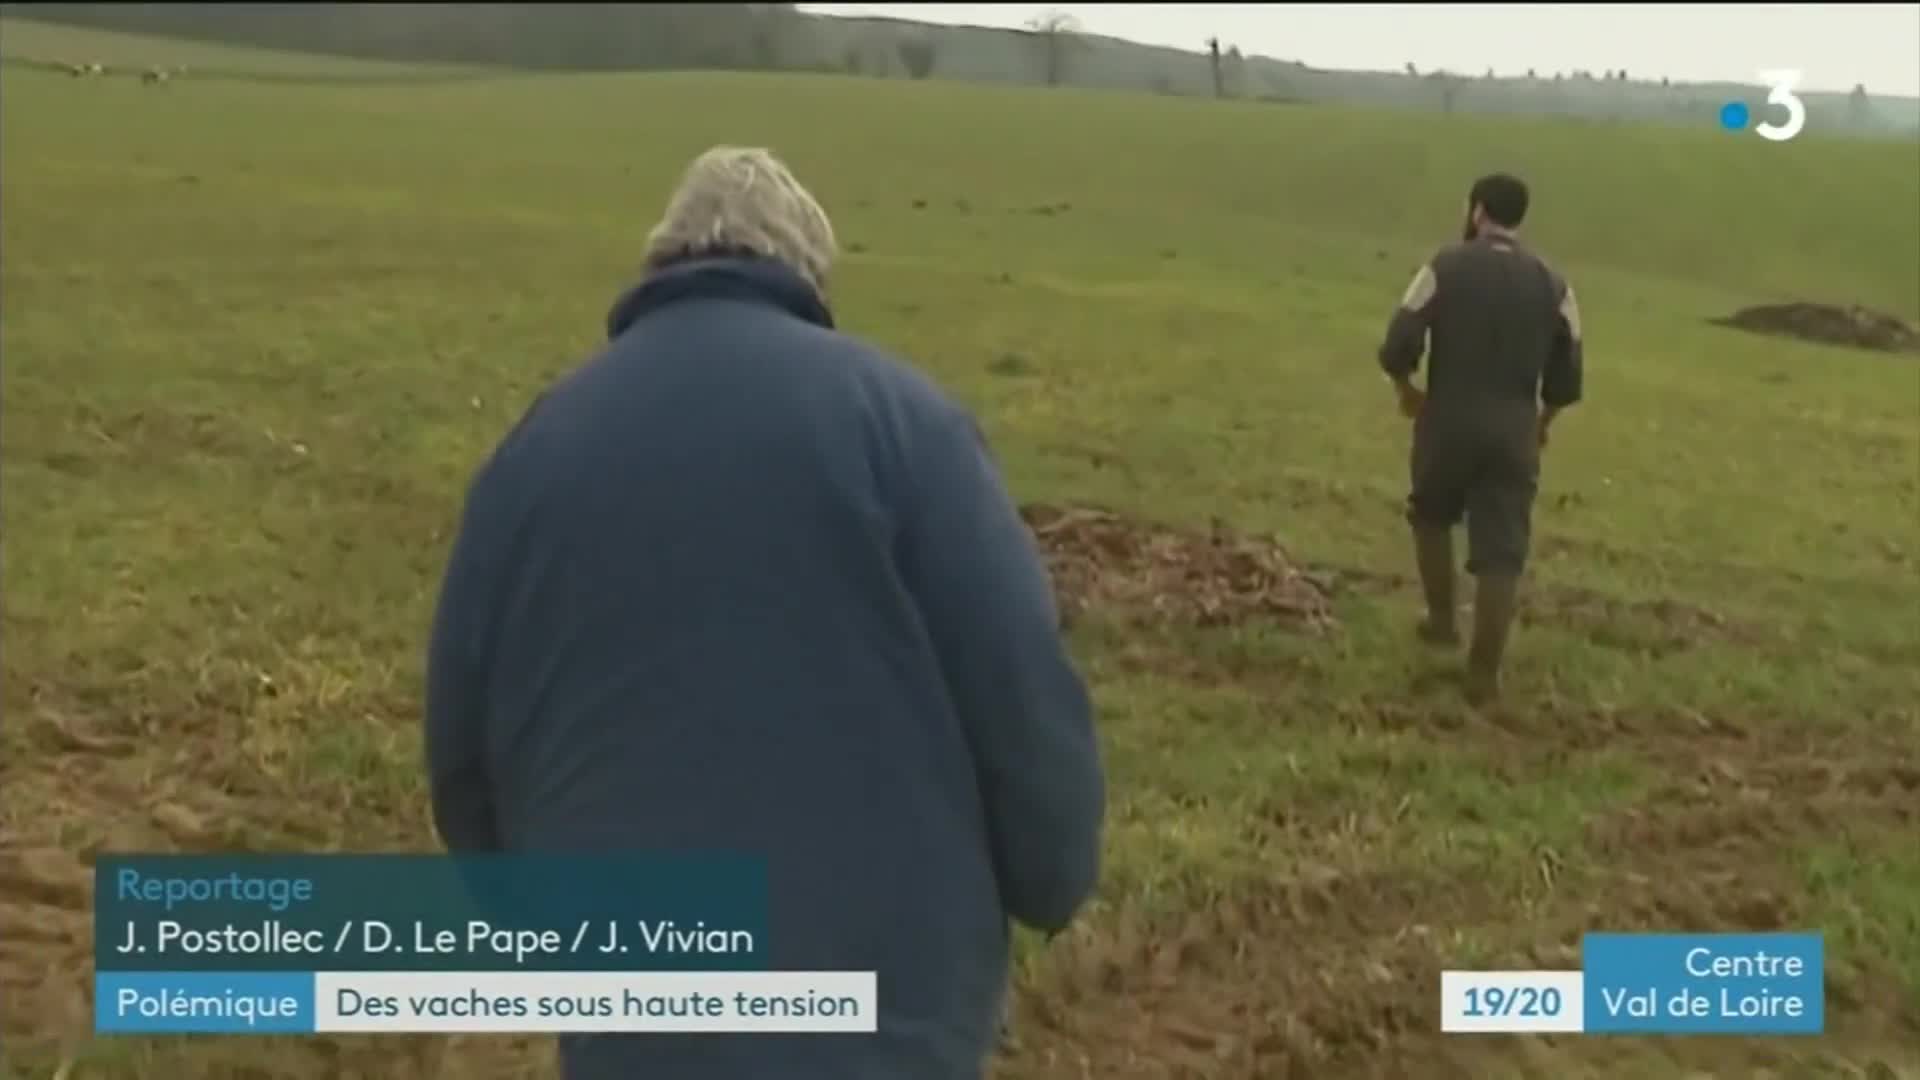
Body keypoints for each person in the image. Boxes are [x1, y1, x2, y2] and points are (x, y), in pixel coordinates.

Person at [424, 146, 1106, 1079]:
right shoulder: (908, 427)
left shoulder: (531, 456)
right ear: (808, 279)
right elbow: (1017, 687)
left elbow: (462, 753)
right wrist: (1053, 874)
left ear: (660, 263)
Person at [1376, 172, 1584, 705]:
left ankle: (1442, 622)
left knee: (1430, 515)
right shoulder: (1555, 284)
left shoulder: (1444, 266)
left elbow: (1400, 338)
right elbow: (1567, 372)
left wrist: (1406, 389)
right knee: (1501, 553)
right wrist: (1542, 423)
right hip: (1514, 429)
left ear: (1477, 210)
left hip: (1447, 420)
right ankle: (1484, 673)